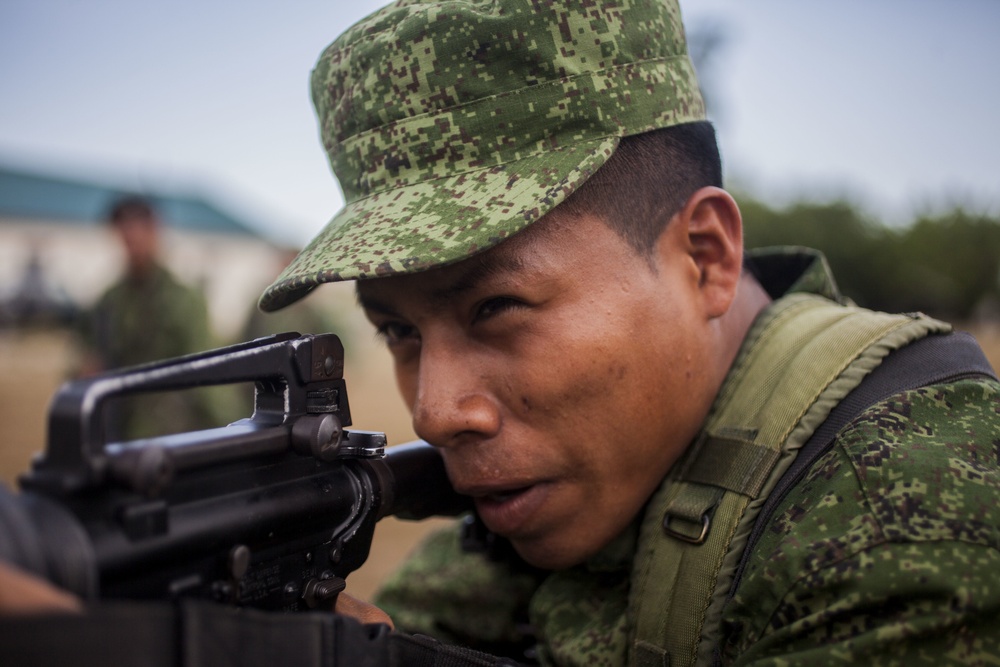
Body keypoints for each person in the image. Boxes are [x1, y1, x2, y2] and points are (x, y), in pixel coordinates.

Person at [2, 1, 998, 665]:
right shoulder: (552, 497)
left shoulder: (911, 506)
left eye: (496, 309)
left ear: (704, 256)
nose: (437, 409)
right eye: (397, 329)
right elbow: (428, 620)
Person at [77, 195, 222, 440]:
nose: (133, 239)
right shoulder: (109, 301)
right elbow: (84, 354)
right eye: (125, 230)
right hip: (115, 424)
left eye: (141, 228)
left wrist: (226, 430)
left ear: (156, 231)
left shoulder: (184, 300)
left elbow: (207, 375)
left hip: (169, 433)